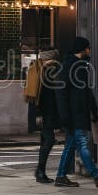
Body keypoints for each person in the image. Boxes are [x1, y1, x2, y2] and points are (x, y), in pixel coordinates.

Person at [54, 36, 98, 188]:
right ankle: (97, 175)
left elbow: (87, 91)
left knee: (71, 145)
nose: (89, 50)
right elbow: (61, 92)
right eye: (88, 48)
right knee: (82, 143)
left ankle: (61, 176)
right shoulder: (69, 66)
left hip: (79, 112)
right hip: (73, 114)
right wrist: (65, 115)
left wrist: (93, 110)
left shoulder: (81, 65)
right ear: (82, 49)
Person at [33, 48, 61, 183]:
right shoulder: (47, 70)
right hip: (46, 112)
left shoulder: (41, 69)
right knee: (49, 140)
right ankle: (39, 170)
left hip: (43, 112)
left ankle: (40, 172)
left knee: (45, 141)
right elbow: (43, 94)